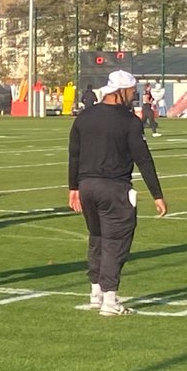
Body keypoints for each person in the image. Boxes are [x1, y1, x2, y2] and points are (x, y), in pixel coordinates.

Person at [67, 69, 167, 315]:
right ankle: (110, 300)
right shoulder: (129, 121)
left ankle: (96, 292)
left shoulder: (84, 117)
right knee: (116, 241)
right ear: (120, 91)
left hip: (87, 186)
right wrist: (157, 194)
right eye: (131, 91)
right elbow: (143, 159)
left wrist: (73, 188)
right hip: (114, 187)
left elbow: (74, 155)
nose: (133, 95)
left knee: (97, 237)